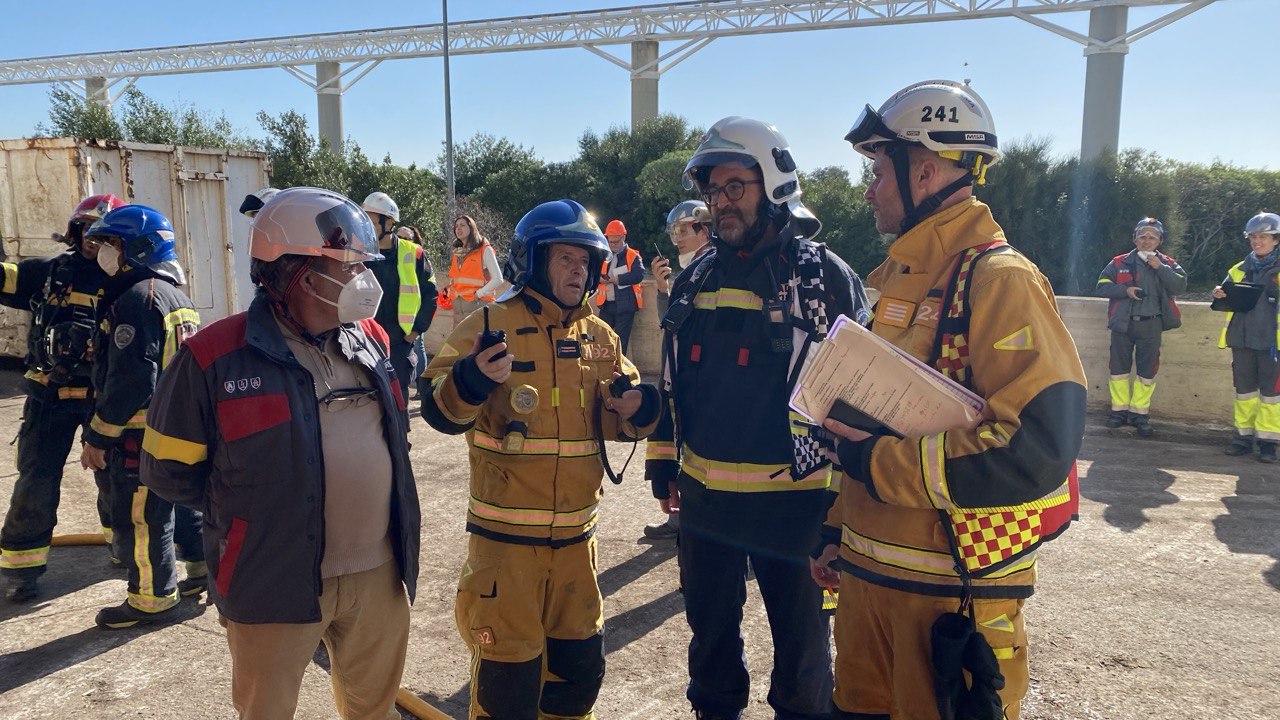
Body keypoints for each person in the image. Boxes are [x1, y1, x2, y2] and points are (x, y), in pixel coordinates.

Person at [814, 80, 1086, 720]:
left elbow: (1035, 450)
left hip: (951, 601)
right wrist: (832, 531)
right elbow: (867, 423)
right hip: (868, 587)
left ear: (926, 168)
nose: (869, 186)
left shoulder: (1001, 281)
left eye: (880, 169)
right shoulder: (897, 284)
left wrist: (879, 465)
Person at [140, 187, 422, 719]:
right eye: (348, 265)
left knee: (374, 709)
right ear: (296, 272)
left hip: (379, 575)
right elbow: (171, 473)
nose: (363, 278)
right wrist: (255, 516)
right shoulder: (212, 357)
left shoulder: (372, 339)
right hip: (271, 579)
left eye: (363, 264)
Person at [646, 116, 871, 720]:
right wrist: (663, 463)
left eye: (734, 188)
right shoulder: (695, 277)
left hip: (798, 508)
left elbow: (862, 402)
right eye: (713, 192)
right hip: (706, 507)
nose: (720, 204)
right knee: (711, 655)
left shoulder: (824, 279)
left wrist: (841, 516)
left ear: (773, 182)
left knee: (802, 666)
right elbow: (671, 378)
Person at [421, 199, 660, 720]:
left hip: (578, 551)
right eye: (566, 259)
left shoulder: (601, 338)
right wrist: (471, 381)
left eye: (585, 262)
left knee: (578, 680)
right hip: (506, 555)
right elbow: (436, 401)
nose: (579, 272)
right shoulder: (491, 323)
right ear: (533, 260)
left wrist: (641, 408)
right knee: (508, 692)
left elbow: (625, 414)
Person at [77, 205, 207, 629]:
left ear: (138, 248)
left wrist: (98, 435)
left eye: (112, 244)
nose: (105, 253)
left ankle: (152, 599)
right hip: (180, 428)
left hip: (139, 434)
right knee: (183, 506)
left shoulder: (136, 299)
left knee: (143, 518)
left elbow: (132, 381)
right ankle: (201, 571)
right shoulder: (178, 297)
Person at [0, 194, 122, 602]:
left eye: (103, 234)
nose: (93, 239)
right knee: (35, 481)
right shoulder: (49, 274)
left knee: (116, 479)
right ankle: (22, 570)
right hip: (48, 397)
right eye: (87, 230)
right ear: (76, 232)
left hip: (101, 400)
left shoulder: (127, 282)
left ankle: (122, 547)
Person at [643, 199, 713, 541]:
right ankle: (680, 521)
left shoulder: (713, 271)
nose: (677, 239)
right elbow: (671, 326)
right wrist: (663, 291)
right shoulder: (693, 273)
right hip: (684, 380)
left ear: (704, 227)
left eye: (682, 230)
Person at [1095, 217, 1187, 436]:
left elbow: (1180, 285)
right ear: (1134, 239)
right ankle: (1118, 412)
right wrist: (1124, 290)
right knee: (1118, 370)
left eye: (1152, 237)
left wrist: (1160, 268)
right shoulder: (1118, 262)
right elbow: (1101, 286)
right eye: (1142, 236)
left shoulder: (1168, 263)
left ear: (1159, 240)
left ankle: (1140, 415)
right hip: (1123, 325)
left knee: (1147, 372)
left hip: (1151, 324)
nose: (1146, 241)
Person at [1213, 211, 1280, 463]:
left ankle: (1268, 443)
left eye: (1263, 236)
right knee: (1244, 393)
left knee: (1272, 396)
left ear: (1276, 239)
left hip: (1273, 344)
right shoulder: (1239, 269)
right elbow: (1225, 293)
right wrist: (1218, 293)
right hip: (1241, 341)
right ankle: (1242, 438)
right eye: (1253, 237)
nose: (1257, 241)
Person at [361, 191, 439, 408]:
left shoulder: (413, 253)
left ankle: (400, 441)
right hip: (364, 339)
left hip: (398, 342)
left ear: (389, 222)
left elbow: (430, 295)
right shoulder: (359, 252)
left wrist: (413, 334)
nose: (366, 226)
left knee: (397, 401)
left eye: (372, 220)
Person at [444, 215, 504, 325]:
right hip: (459, 313)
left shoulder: (484, 249)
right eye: (456, 226)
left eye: (462, 225)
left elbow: (498, 279)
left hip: (478, 309)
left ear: (471, 228)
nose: (458, 228)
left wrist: (478, 294)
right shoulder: (457, 253)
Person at [596, 219, 645, 353]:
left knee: (620, 343)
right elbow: (595, 272)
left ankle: (619, 371)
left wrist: (619, 279)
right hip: (606, 305)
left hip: (625, 307)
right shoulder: (604, 254)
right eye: (610, 241)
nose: (612, 245)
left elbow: (639, 275)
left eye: (616, 241)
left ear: (623, 237)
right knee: (601, 339)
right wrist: (599, 278)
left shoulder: (632, 255)